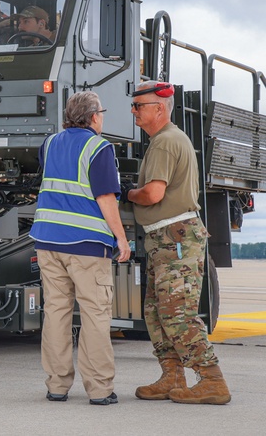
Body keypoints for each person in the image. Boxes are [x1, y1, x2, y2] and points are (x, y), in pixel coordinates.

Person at [124, 81, 231, 405]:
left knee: (177, 313)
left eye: (139, 106)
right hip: (165, 239)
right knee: (156, 312)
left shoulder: (165, 142)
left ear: (159, 108)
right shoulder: (165, 140)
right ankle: (172, 375)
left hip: (176, 239)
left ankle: (212, 380)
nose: (133, 112)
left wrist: (127, 192)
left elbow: (153, 193)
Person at [29, 92, 130, 405]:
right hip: (85, 245)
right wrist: (121, 238)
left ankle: (57, 386)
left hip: (47, 241)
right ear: (95, 116)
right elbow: (106, 199)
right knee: (95, 314)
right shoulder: (99, 148)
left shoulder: (49, 143)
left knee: (56, 312)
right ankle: (99, 389)